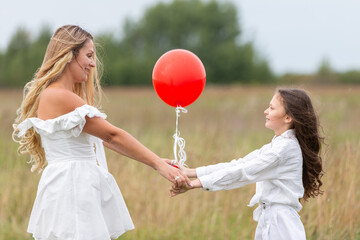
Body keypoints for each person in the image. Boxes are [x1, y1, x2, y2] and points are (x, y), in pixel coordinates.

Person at [12, 25, 191, 240]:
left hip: (67, 186)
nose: (92, 63)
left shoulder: (58, 95)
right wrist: (159, 166)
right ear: (69, 55)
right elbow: (112, 136)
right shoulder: (60, 96)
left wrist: (154, 158)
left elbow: (102, 140)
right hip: (73, 188)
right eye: (88, 55)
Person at [169, 88, 324, 240]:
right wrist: (192, 172)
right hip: (271, 220)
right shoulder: (278, 144)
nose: (265, 111)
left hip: (281, 225)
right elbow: (239, 164)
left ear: (288, 118)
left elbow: (243, 172)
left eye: (271, 108)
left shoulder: (284, 149)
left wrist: (195, 184)